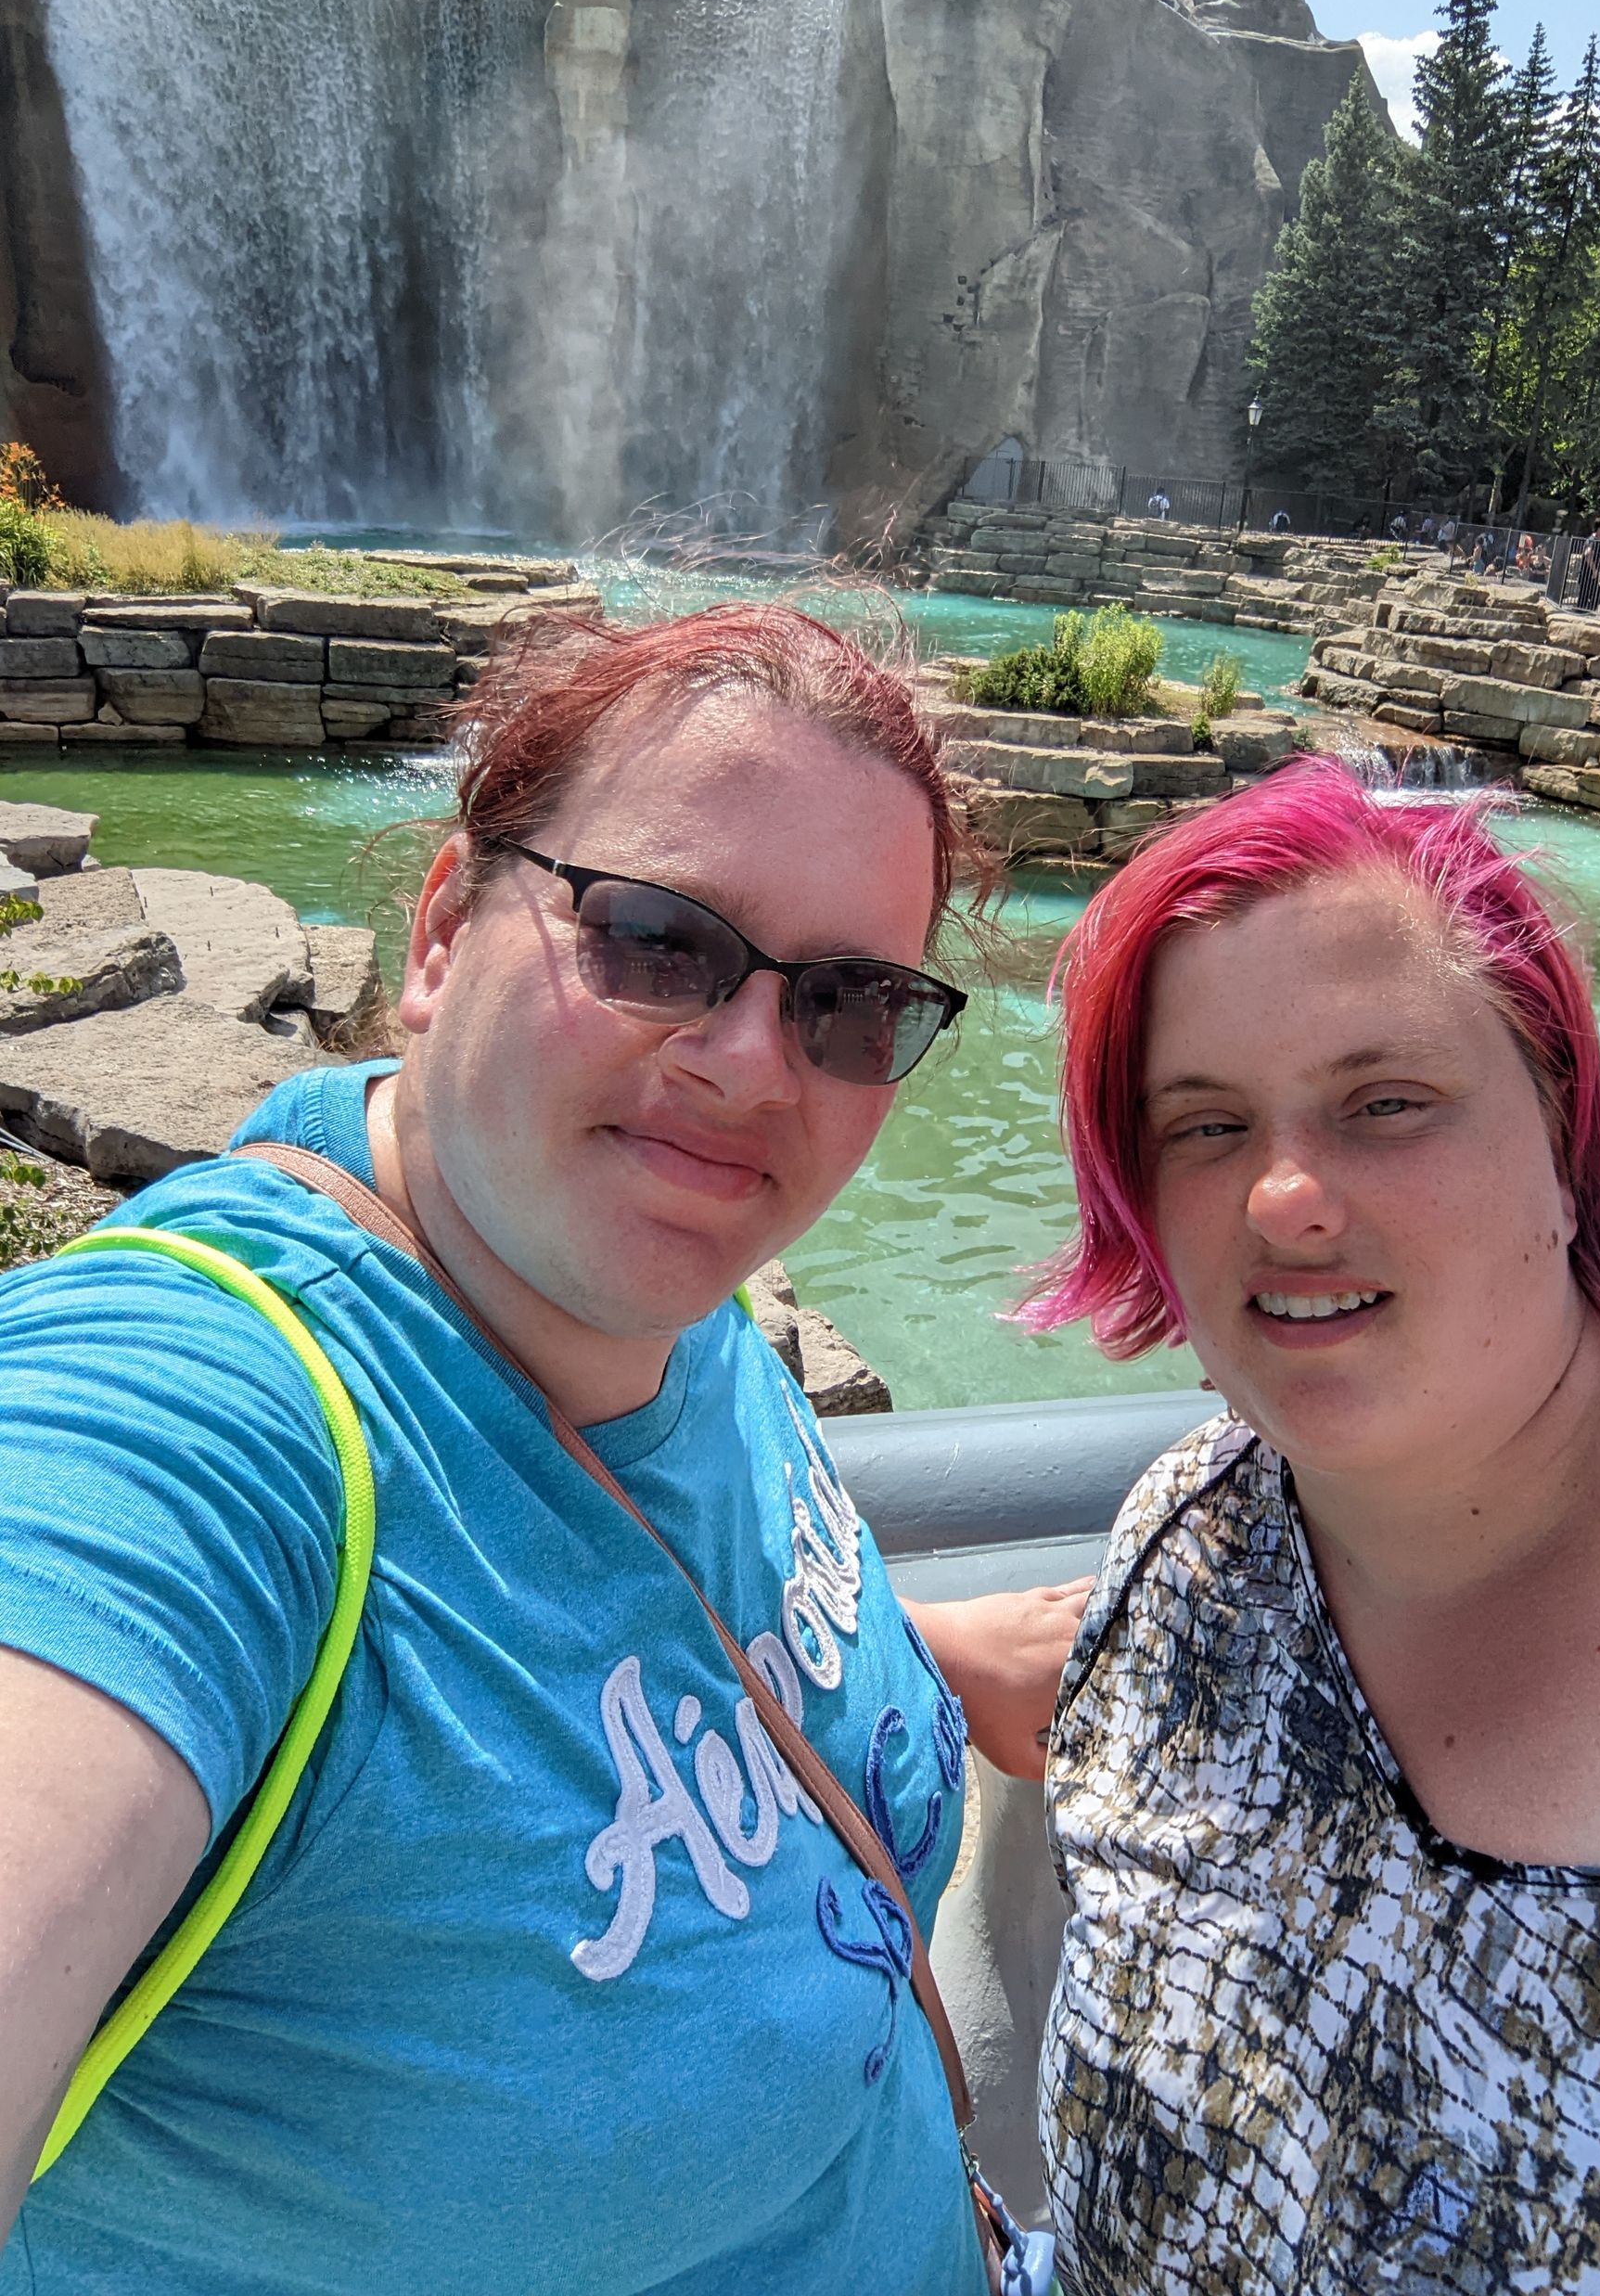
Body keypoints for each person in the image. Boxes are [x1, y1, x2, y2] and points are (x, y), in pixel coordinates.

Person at [0, 603, 1084, 2293]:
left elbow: (576, 1661)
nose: (747, 1063)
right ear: (440, 932)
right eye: (660, 941)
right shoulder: (198, 1429)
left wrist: (930, 1660)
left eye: (850, 1005)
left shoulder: (663, 1300)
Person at [1030, 760, 1600, 2291]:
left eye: (1387, 1104)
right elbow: (1033, 1666)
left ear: (1564, 1133)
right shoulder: (1198, 1533)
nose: (1287, 1198)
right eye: (1207, 1126)